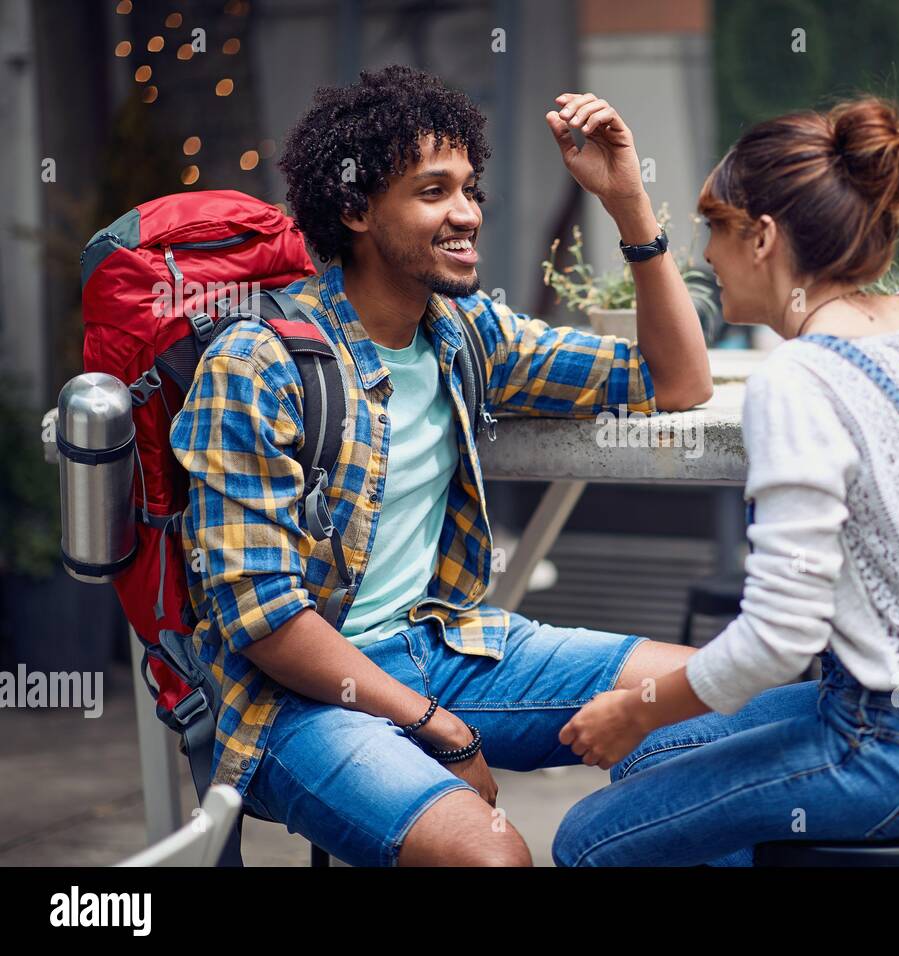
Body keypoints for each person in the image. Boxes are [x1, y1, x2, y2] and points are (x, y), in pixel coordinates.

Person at [168, 65, 720, 866]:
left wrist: (627, 203)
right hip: (295, 699)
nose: (466, 214)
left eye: (470, 189)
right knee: (492, 855)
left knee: (707, 695)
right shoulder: (259, 365)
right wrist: (437, 727)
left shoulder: (464, 332)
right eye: (433, 192)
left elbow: (677, 382)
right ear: (356, 209)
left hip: (441, 645)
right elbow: (263, 619)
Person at [551, 95, 899, 866]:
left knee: (588, 841)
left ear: (763, 237)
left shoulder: (800, 381)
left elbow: (779, 637)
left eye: (715, 228)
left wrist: (635, 707)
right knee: (653, 760)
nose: (707, 256)